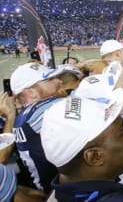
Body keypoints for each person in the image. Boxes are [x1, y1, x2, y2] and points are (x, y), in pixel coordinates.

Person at [10, 63, 64, 193]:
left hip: (47, 189)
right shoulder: (45, 110)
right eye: (49, 79)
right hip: (62, 191)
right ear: (31, 92)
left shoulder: (23, 117)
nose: (59, 81)